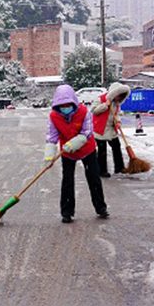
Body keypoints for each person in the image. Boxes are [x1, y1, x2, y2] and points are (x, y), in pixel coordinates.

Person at [44, 84, 108, 223]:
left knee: (94, 178)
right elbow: (52, 136)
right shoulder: (54, 116)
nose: (65, 108)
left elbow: (87, 131)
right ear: (57, 105)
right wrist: (49, 155)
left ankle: (101, 208)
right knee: (67, 181)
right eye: (62, 105)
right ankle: (67, 212)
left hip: (87, 149)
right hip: (66, 152)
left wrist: (76, 142)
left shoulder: (84, 112)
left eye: (68, 105)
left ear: (74, 102)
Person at [92, 82, 131, 177]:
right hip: (101, 128)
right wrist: (105, 105)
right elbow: (94, 111)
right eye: (118, 95)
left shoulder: (116, 104)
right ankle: (102, 170)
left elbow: (117, 114)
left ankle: (119, 167)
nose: (119, 98)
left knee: (116, 146)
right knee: (102, 150)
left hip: (111, 128)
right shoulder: (101, 99)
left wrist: (118, 121)